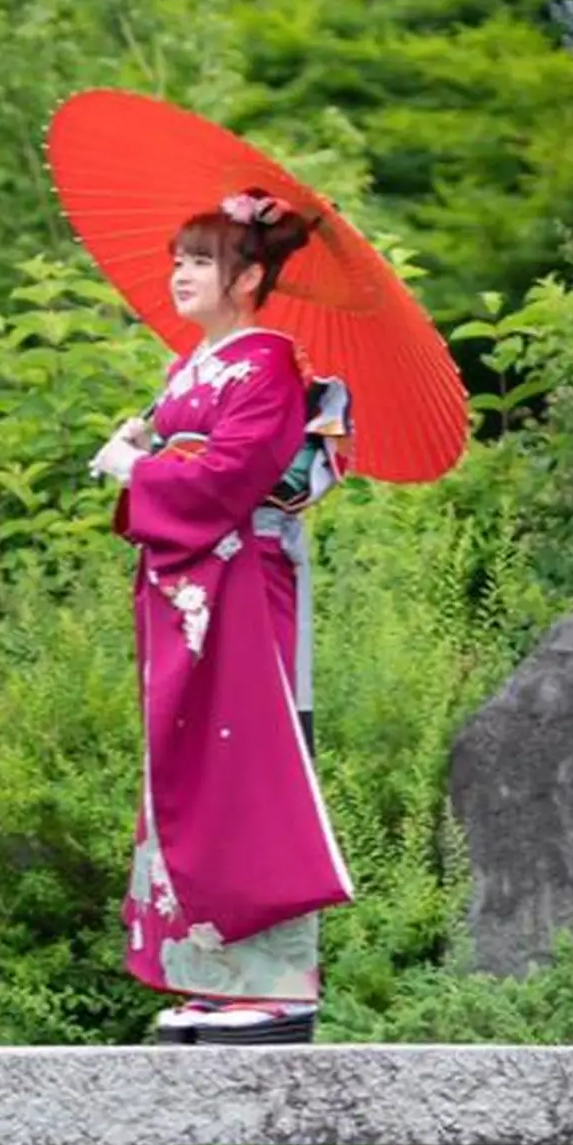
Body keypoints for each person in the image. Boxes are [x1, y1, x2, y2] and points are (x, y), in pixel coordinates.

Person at [88, 190, 354, 1044]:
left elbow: (232, 476)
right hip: (187, 586)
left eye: (202, 260)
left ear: (247, 278)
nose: (181, 274)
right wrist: (146, 446)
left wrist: (139, 469)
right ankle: (211, 974)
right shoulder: (187, 369)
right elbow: (189, 463)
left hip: (241, 582)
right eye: (179, 258)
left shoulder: (268, 363)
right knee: (191, 762)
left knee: (251, 764)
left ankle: (279, 986)